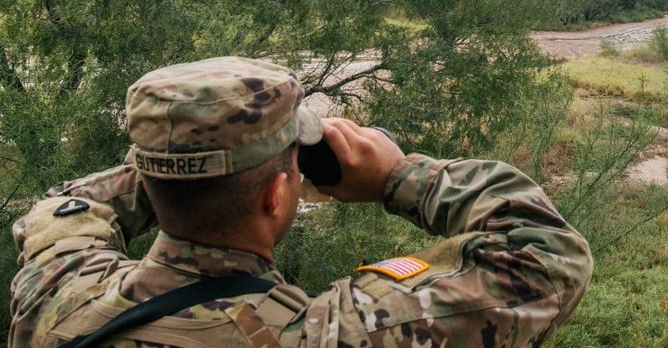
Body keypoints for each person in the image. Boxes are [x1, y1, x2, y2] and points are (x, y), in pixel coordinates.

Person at [9, 56, 592, 347]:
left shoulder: (57, 293)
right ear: (276, 193)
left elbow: (68, 210)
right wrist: (396, 174)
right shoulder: (326, 334)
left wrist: (182, 158)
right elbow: (546, 254)